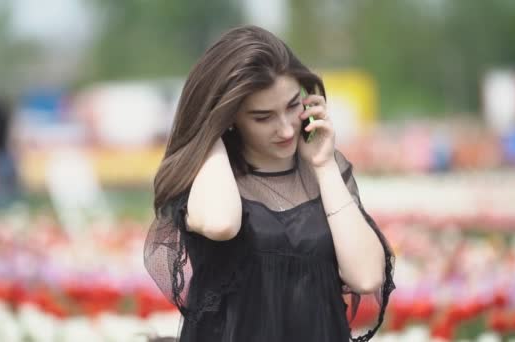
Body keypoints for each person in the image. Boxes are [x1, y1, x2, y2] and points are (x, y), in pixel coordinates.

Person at [144, 25, 395, 342]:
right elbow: (222, 223)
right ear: (229, 116)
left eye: (292, 106)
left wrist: (323, 164)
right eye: (263, 117)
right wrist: (209, 134)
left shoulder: (322, 173)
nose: (286, 129)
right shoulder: (211, 176)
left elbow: (367, 276)